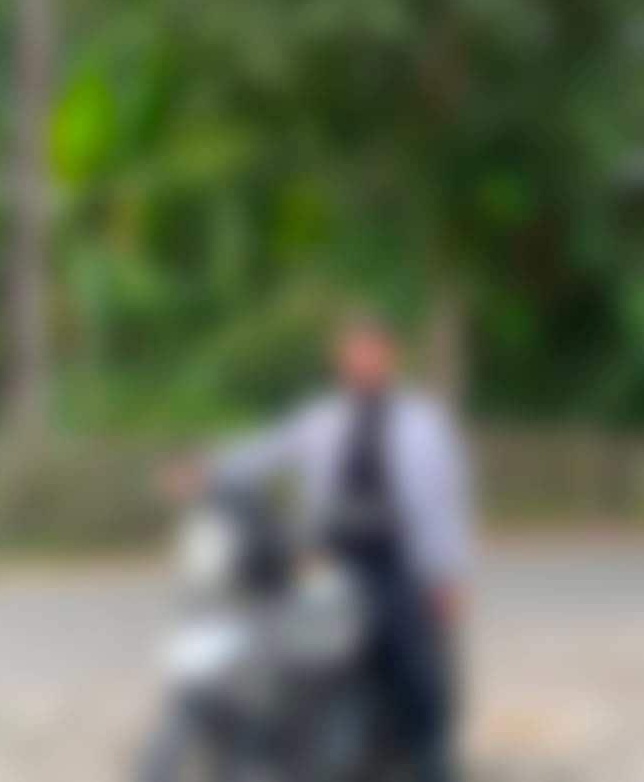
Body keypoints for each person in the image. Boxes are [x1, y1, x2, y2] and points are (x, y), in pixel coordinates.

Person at [166, 311, 472, 782]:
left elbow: (442, 502)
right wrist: (206, 470)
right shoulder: (321, 418)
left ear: (389, 357)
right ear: (340, 361)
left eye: (370, 353)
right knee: (272, 631)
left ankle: (431, 761)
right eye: (352, 354)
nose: (361, 362)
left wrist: (444, 575)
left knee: (413, 659)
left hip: (392, 557)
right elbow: (265, 450)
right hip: (329, 555)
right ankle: (282, 747)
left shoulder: (422, 424)